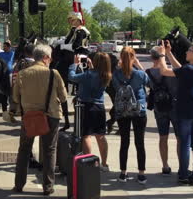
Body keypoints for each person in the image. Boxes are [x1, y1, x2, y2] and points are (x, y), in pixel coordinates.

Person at [12, 45, 67, 196]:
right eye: (50, 57)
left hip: (29, 116)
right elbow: (63, 97)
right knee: (50, 150)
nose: (51, 60)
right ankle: (48, 187)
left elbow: (15, 97)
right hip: (51, 115)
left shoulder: (22, 74)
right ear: (45, 58)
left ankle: (18, 185)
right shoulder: (53, 73)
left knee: (24, 150)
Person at [157, 41, 193, 186]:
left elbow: (164, 71)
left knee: (185, 143)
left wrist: (161, 54)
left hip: (186, 111)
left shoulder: (189, 70)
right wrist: (170, 53)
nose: (186, 52)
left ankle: (184, 175)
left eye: (189, 50)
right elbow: (180, 69)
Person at [68, 52, 111, 171]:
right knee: (101, 136)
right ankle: (104, 163)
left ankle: (88, 162)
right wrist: (91, 67)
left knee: (86, 135)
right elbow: (95, 76)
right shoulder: (106, 75)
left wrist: (74, 65)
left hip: (86, 105)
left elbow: (72, 77)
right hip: (99, 106)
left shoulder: (88, 74)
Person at [112, 47, 149, 184]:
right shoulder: (139, 74)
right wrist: (138, 65)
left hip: (123, 109)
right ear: (133, 57)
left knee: (124, 142)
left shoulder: (116, 74)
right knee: (140, 142)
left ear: (121, 57)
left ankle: (123, 173)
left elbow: (116, 88)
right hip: (139, 109)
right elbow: (149, 82)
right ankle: (141, 174)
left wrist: (118, 67)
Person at [146, 46, 179, 176]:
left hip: (159, 107)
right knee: (179, 138)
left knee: (163, 137)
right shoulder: (171, 72)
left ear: (151, 57)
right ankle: (182, 164)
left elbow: (149, 87)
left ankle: (165, 165)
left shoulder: (148, 73)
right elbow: (181, 71)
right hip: (174, 106)